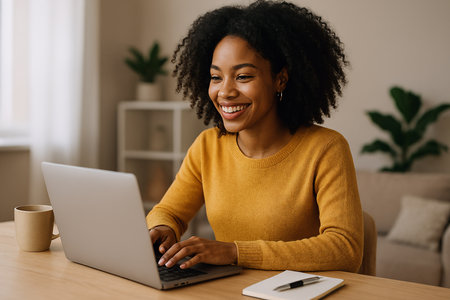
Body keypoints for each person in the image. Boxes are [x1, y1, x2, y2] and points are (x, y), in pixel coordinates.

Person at [146, 0, 363, 272]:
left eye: (243, 76)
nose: (225, 91)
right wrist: (162, 227)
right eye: (216, 77)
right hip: (230, 290)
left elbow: (344, 248)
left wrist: (235, 251)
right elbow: (169, 211)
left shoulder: (326, 148)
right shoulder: (208, 146)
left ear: (280, 79)